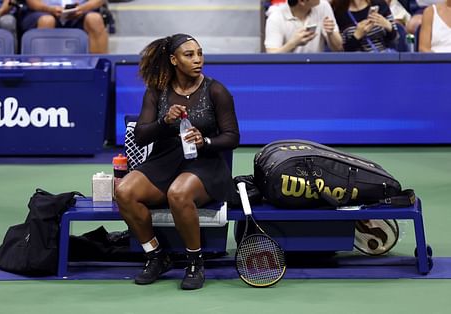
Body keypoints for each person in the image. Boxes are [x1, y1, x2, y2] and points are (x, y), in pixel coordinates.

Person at [114, 34, 239, 290]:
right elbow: (140, 135)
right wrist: (164, 122)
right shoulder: (156, 92)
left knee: (178, 193)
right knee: (124, 191)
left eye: (200, 54)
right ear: (174, 60)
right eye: (189, 55)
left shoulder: (216, 90)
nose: (198, 60)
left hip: (205, 165)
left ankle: (195, 262)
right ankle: (156, 256)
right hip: (163, 162)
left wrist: (206, 141)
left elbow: (232, 136)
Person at [21, 0, 108, 53]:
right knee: (47, 21)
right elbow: (32, 2)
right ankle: (41, 73)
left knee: (94, 19)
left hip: (81, 10)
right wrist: (49, 9)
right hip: (43, 11)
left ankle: (99, 73)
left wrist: (84, 8)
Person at [264, 0, 344, 53]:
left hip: (317, 68)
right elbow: (272, 57)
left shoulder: (323, 6)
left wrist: (331, 34)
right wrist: (293, 43)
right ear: (302, 1)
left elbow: (339, 48)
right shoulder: (275, 18)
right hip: (288, 70)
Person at [331, 0, 399, 52]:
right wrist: (356, 36)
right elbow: (342, 50)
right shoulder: (339, 12)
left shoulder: (380, 4)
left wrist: (388, 27)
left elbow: (396, 39)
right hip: (356, 63)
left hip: (383, 60)